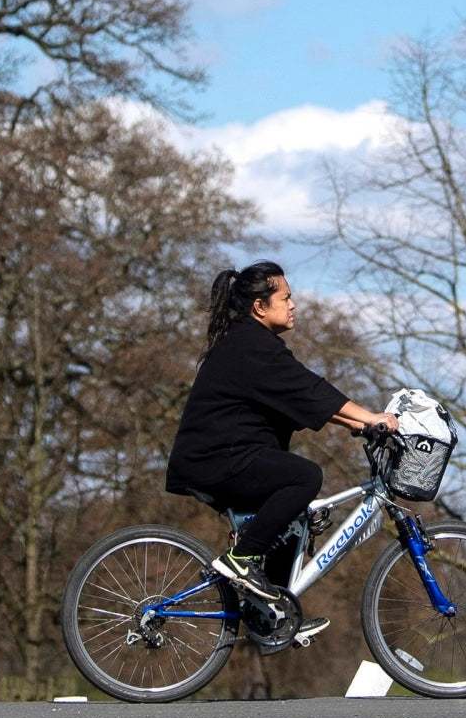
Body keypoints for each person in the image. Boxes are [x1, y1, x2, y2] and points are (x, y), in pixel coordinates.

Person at [166, 262, 399, 640]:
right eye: (286, 298)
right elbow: (310, 390)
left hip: (224, 456)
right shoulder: (251, 346)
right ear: (260, 307)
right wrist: (371, 417)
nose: (293, 305)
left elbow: (302, 398)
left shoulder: (251, 344)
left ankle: (269, 616)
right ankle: (240, 560)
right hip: (215, 460)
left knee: (291, 523)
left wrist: (360, 424)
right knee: (304, 476)